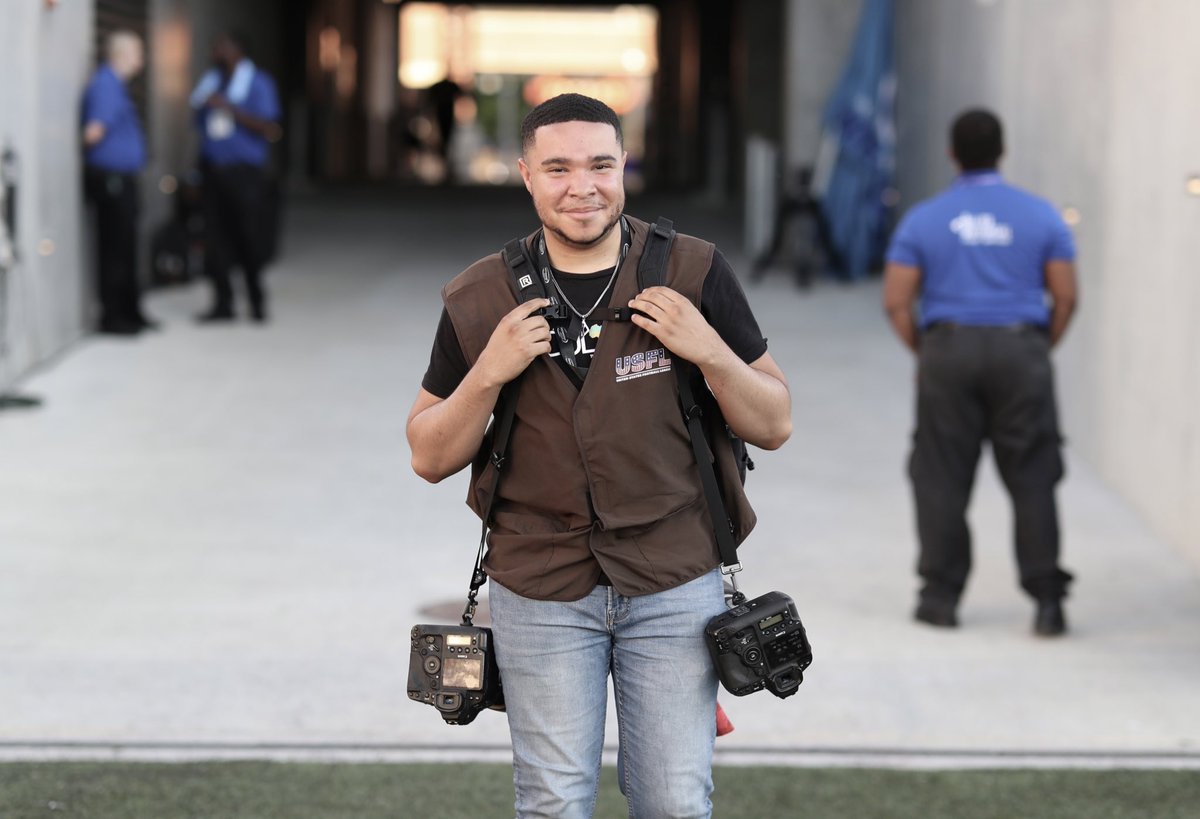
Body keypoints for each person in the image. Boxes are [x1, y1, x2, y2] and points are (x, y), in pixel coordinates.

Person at [406, 94, 791, 818]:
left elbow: (774, 421)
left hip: (675, 578)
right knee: (552, 804)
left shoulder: (693, 271)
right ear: (526, 174)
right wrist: (489, 370)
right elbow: (428, 454)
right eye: (558, 167)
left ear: (623, 170)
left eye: (600, 165)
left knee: (675, 802)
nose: (581, 185)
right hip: (539, 585)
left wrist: (707, 348)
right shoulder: (479, 296)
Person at [882, 108, 1079, 636]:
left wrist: (926, 352)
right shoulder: (1040, 216)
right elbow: (1065, 297)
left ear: (952, 154)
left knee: (941, 474)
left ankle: (940, 598)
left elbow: (897, 302)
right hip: (1022, 348)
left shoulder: (925, 219)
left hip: (949, 350)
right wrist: (1037, 346)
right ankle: (1047, 602)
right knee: (1034, 475)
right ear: (1002, 151)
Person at [189, 31, 281, 323]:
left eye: (222, 47)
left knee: (248, 237)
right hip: (213, 171)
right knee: (214, 239)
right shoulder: (211, 82)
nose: (216, 51)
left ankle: (256, 302)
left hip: (244, 173)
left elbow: (268, 126)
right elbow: (199, 124)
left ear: (238, 50)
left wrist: (229, 108)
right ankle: (222, 304)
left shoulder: (258, 82)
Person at [82, 30, 156, 335]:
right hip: (111, 180)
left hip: (122, 179)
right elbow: (92, 132)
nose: (142, 59)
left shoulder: (117, 86)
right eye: (138, 52)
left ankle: (130, 311)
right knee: (114, 249)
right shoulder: (106, 84)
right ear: (121, 55)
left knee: (127, 247)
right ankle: (113, 317)